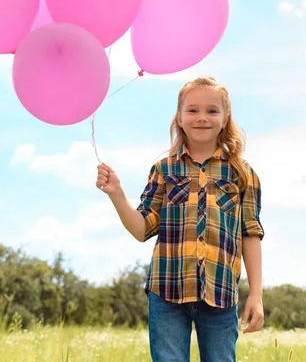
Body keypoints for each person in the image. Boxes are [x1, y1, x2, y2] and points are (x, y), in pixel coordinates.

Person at [96, 76, 264, 362]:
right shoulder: (164, 169)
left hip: (220, 292)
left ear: (225, 119)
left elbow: (250, 233)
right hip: (167, 290)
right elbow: (142, 228)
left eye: (212, 111)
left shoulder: (241, 173)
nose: (202, 118)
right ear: (180, 118)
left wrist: (256, 295)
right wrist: (116, 193)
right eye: (193, 110)